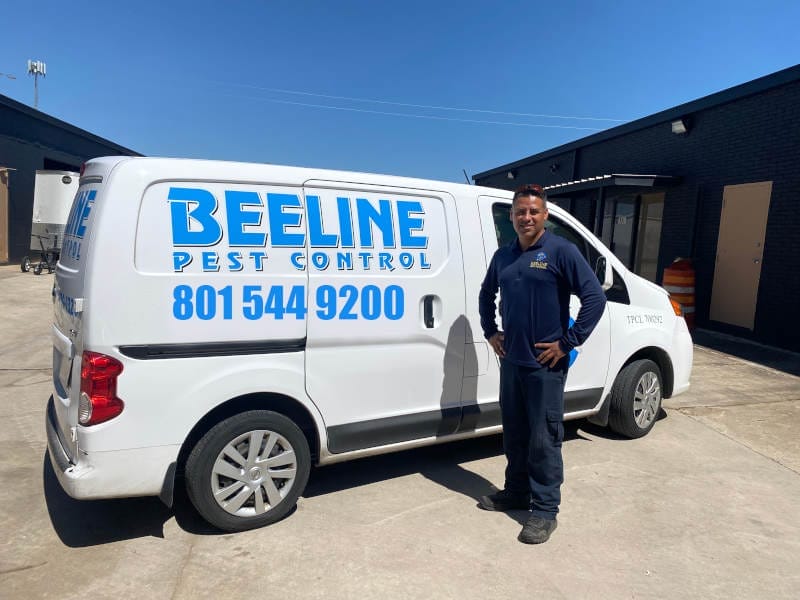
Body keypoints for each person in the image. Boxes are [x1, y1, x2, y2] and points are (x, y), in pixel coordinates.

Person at [478, 183, 606, 544]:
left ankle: (545, 510)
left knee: (543, 438)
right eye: (520, 212)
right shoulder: (504, 256)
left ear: (545, 215)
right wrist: (491, 331)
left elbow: (595, 298)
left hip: (545, 368)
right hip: (513, 364)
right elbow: (487, 294)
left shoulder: (560, 251)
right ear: (513, 216)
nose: (526, 217)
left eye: (533, 211)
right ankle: (517, 491)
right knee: (515, 433)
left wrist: (567, 343)